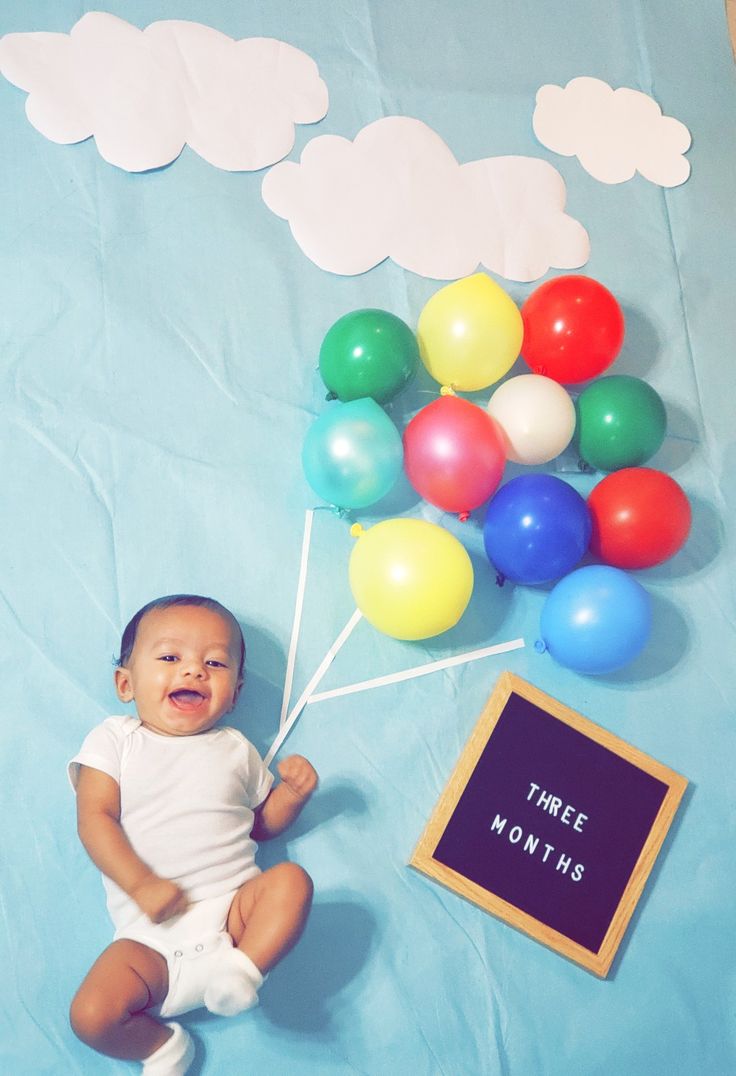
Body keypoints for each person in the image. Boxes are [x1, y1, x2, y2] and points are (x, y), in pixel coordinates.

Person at [68, 594, 318, 1075]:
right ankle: (161, 1046)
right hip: (149, 937)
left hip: (234, 914)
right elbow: (94, 818)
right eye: (169, 657)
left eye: (215, 662)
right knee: (91, 1016)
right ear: (126, 682)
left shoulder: (236, 749)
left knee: (292, 882)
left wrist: (292, 795)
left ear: (236, 694)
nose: (193, 671)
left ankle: (243, 972)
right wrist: (141, 885)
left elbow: (260, 825)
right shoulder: (114, 739)